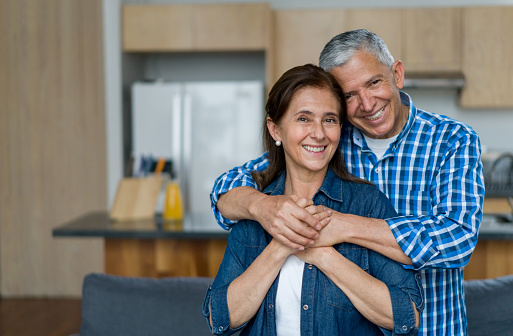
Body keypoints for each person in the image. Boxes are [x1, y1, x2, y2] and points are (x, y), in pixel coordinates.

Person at [210, 29, 484, 336]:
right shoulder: (330, 139)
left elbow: (458, 239)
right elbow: (228, 186)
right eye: (349, 95)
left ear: (397, 74)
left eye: (374, 82)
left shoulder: (451, 140)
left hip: (436, 327)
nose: (367, 104)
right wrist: (262, 206)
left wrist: (343, 228)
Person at [202, 64, 423, 336]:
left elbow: (405, 315)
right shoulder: (258, 207)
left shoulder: (367, 204)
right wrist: (281, 244)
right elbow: (220, 318)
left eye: (329, 120)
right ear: (276, 130)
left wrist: (323, 254)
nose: (318, 133)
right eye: (304, 119)